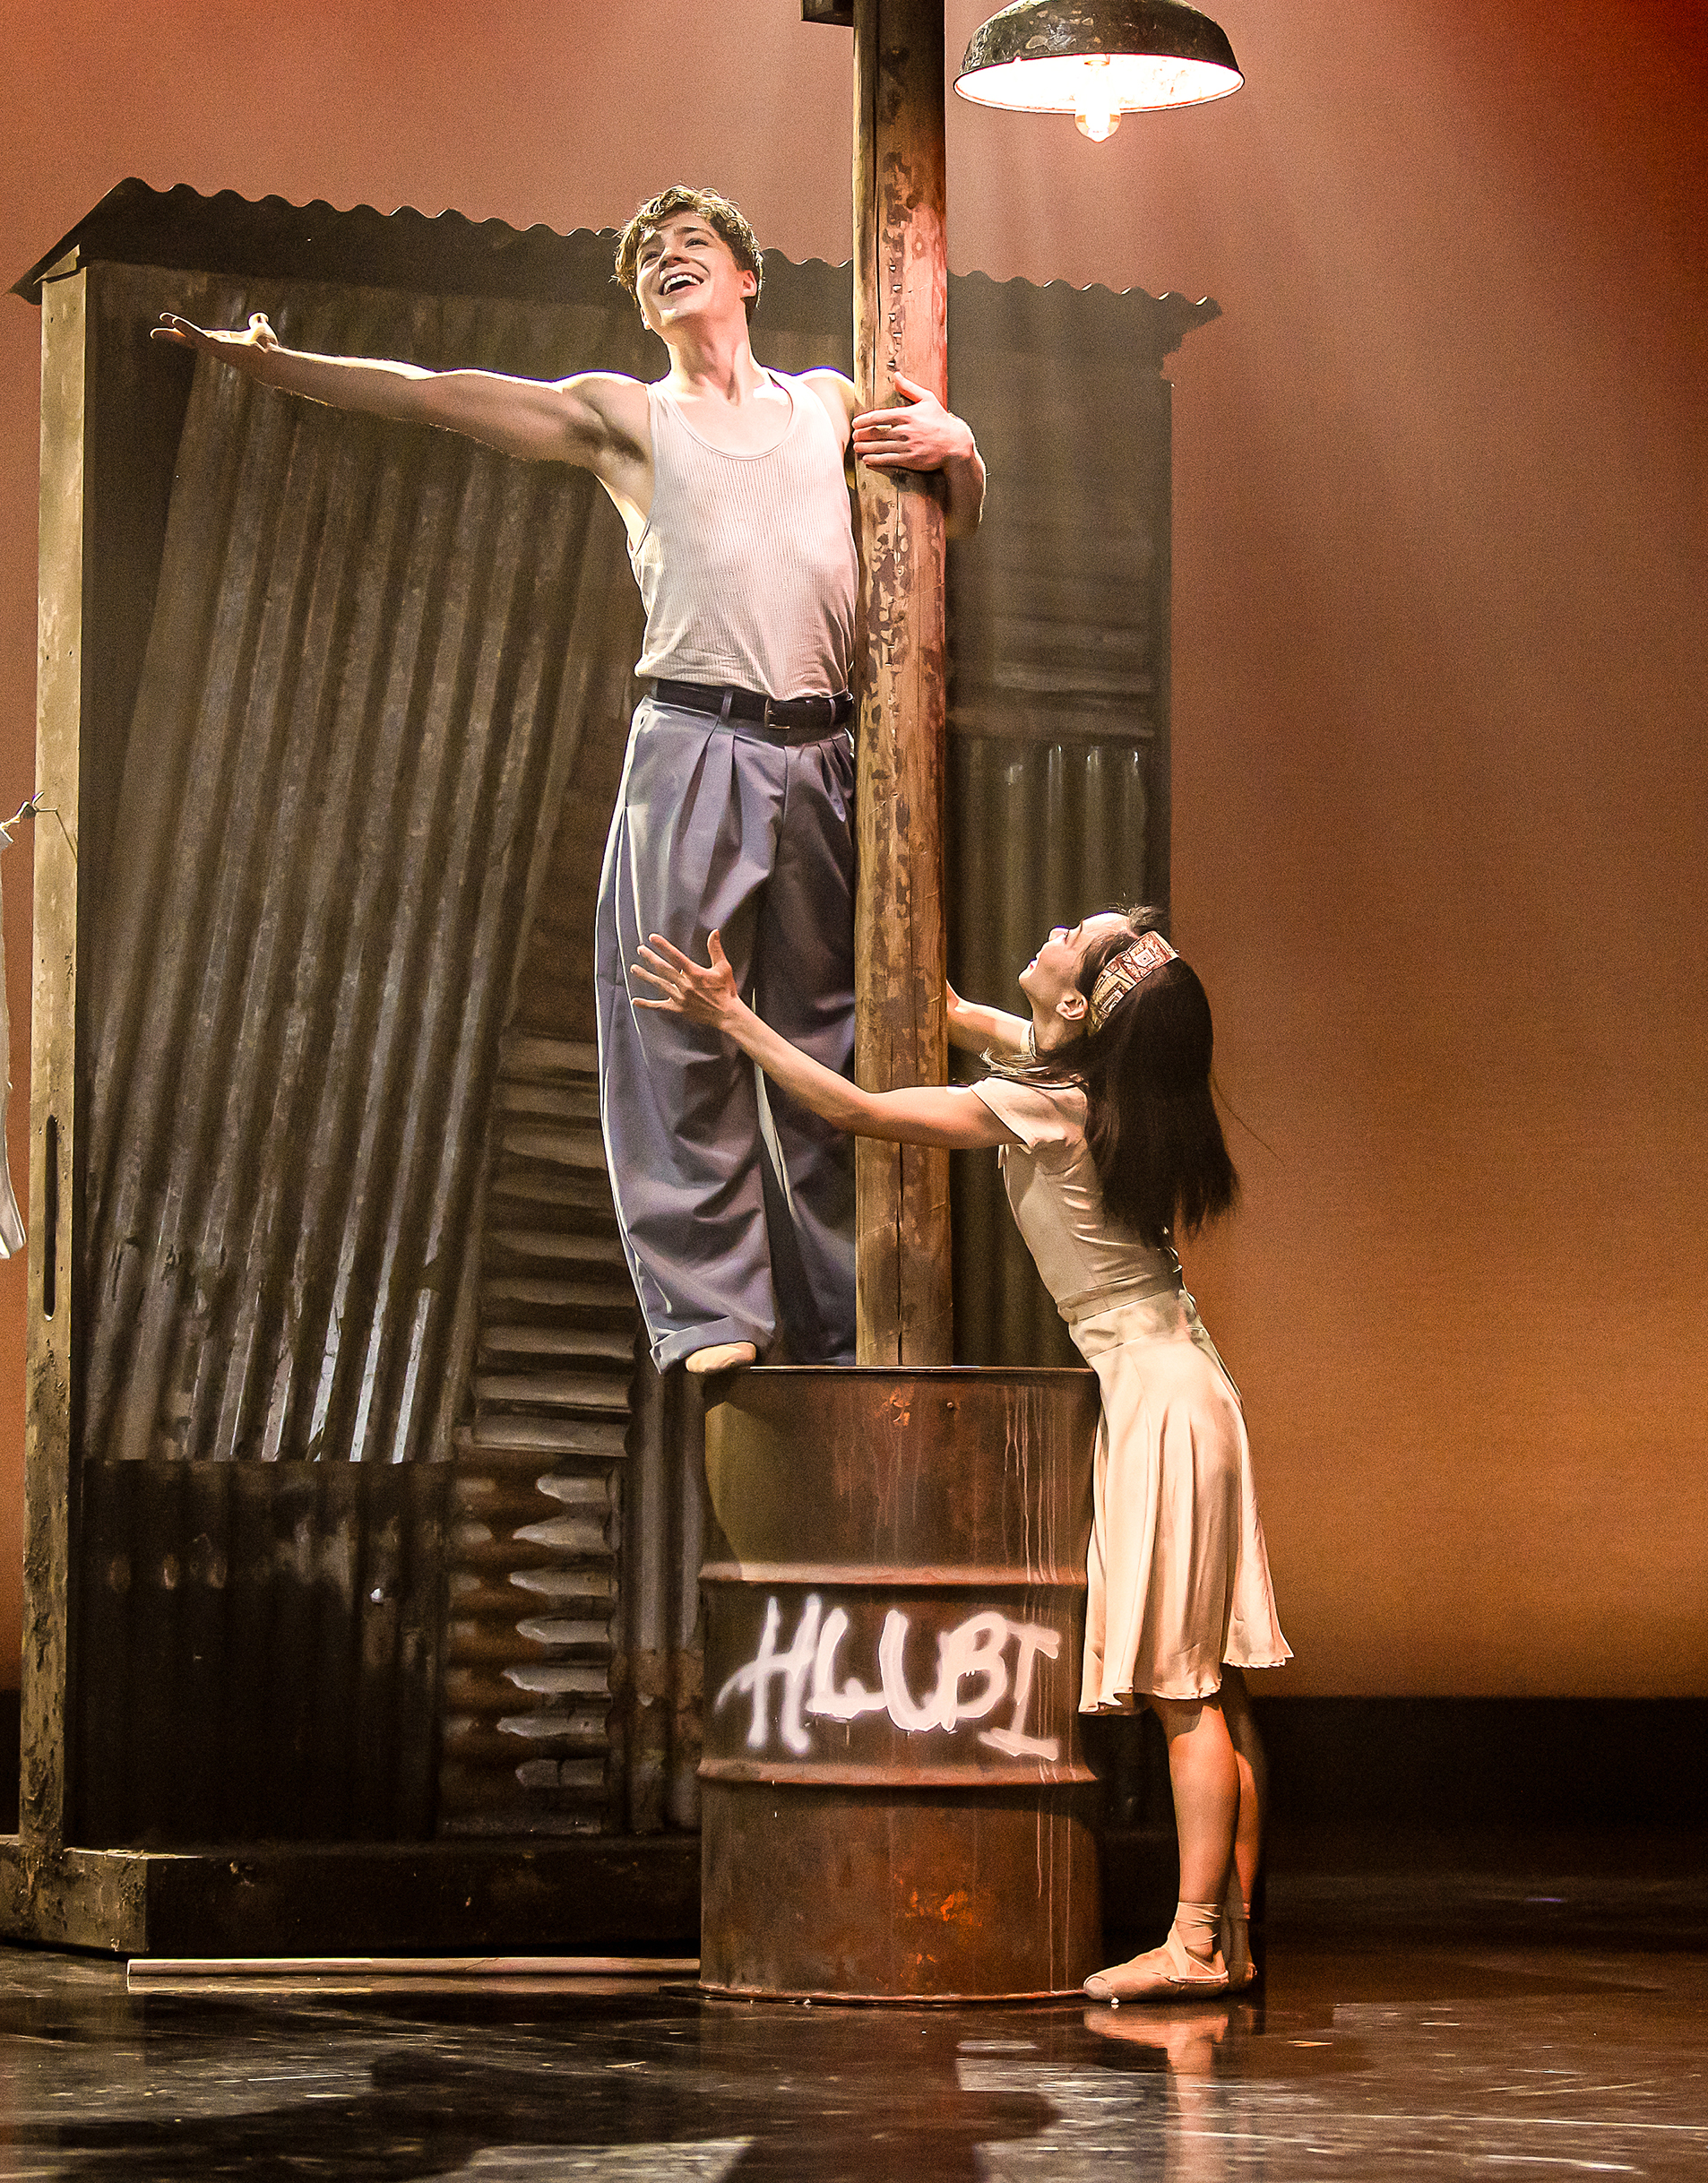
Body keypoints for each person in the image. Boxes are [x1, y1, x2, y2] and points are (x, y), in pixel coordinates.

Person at [153, 188, 984, 1376]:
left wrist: (965, 447)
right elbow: (442, 394)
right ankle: (708, 1312)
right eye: (650, 257)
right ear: (646, 305)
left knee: (826, 1037)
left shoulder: (828, 404)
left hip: (830, 749)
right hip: (697, 740)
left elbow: (954, 518)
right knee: (671, 1021)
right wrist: (282, 367)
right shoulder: (629, 415)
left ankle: (849, 1319)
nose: (668, 260)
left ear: (748, 277)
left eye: (691, 245)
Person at [631, 905, 1288, 2002]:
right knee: (1215, 1694)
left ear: (1078, 1009)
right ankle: (1233, 1935)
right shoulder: (1087, 1087)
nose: (1052, 929)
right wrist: (923, 1001)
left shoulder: (1045, 1105)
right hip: (1189, 1390)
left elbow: (852, 1109)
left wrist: (731, 1017)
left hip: (1159, 1404)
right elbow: (990, 1029)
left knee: (1186, 1698)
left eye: (1070, 940)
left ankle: (1197, 1944)